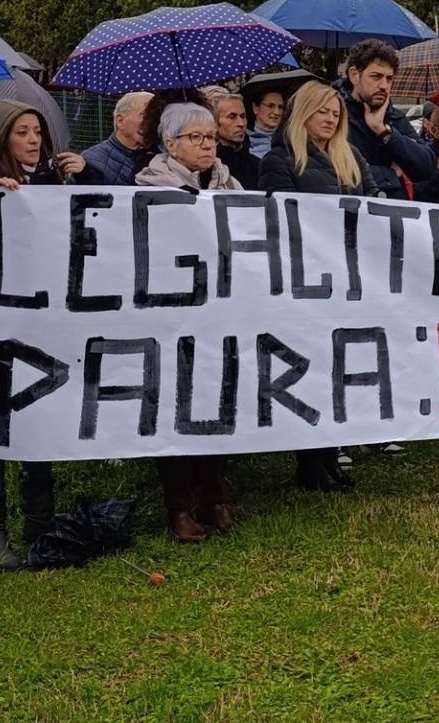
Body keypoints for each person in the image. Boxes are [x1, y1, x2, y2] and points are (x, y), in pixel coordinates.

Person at [0, 99, 93, 570]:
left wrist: (87, 177)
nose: (34, 139)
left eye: (37, 130)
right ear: (0, 138)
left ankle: (40, 526)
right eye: (22, 132)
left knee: (37, 414)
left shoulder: (56, 179)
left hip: (42, 319)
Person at [258, 82, 379, 490]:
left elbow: (378, 201)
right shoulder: (279, 160)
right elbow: (282, 221)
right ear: (303, 113)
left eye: (336, 113)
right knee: (309, 368)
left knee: (337, 367)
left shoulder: (350, 156)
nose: (330, 119)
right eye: (322, 111)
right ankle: (310, 462)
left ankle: (331, 455)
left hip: (350, 278)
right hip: (307, 281)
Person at [136, 102, 241, 542]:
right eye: (195, 138)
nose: (206, 145)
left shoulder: (229, 184)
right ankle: (179, 506)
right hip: (171, 315)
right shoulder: (146, 187)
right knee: (177, 408)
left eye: (210, 137)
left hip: (219, 310)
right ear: (170, 144)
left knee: (216, 401)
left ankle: (213, 496)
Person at [330, 40, 435, 200]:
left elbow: (425, 167)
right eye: (376, 76)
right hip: (350, 216)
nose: (384, 86)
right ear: (354, 75)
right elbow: (335, 173)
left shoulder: (395, 118)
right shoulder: (333, 115)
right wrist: (391, 174)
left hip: (393, 218)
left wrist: (385, 132)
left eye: (389, 78)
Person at [83, 90, 151, 186]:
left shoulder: (162, 157)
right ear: (120, 121)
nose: (152, 123)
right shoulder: (91, 162)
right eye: (145, 116)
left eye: (155, 117)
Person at [203, 88, 259, 190]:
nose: (241, 124)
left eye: (243, 116)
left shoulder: (257, 165)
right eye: (232, 117)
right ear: (213, 122)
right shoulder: (203, 166)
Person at [247, 89, 286, 159]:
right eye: (271, 106)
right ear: (255, 108)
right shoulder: (244, 141)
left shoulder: (289, 140)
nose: (277, 112)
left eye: (280, 107)